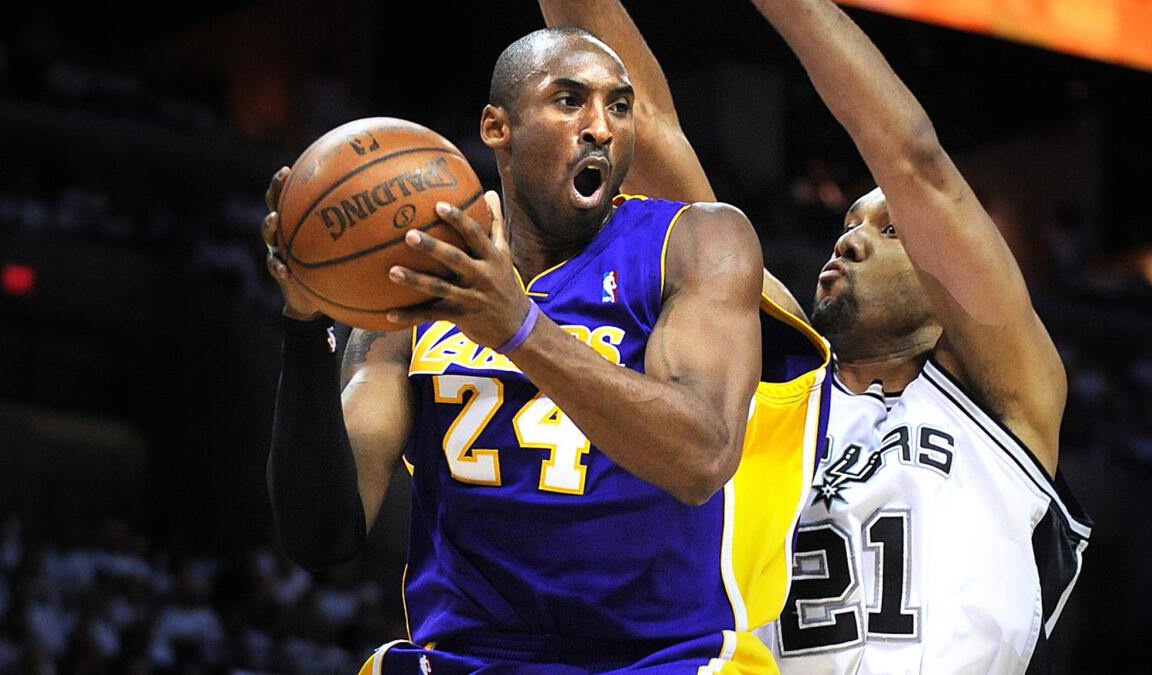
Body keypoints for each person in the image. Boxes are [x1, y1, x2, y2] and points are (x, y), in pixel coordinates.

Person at [539, 0, 1093, 672]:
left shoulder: (1008, 397)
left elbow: (915, 162)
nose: (854, 239)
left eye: (892, 230)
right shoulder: (774, 379)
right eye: (850, 224)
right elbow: (646, 132)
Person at [262, 25, 829, 674]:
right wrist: (305, 324)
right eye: (569, 101)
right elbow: (324, 535)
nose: (602, 127)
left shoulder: (695, 243)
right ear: (497, 126)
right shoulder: (420, 281)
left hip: (656, 658)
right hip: (468, 656)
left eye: (618, 106)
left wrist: (518, 329)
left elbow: (702, 456)